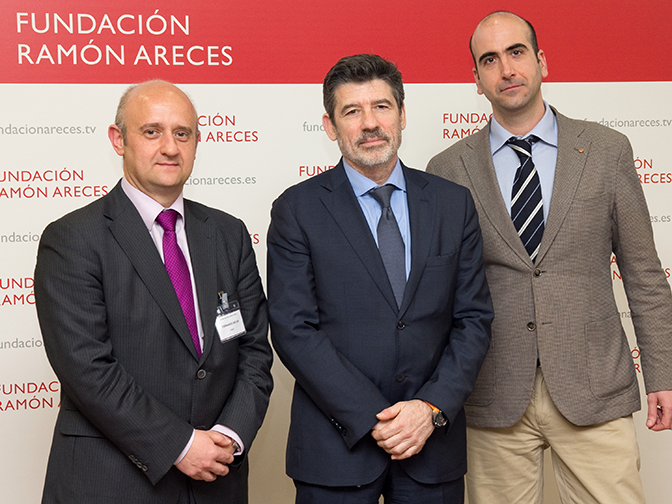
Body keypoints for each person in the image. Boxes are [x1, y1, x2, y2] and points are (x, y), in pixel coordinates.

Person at [427, 11, 672, 504]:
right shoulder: (447, 169)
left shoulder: (606, 150)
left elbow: (644, 273)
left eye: (517, 53)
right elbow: (437, 296)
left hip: (594, 387)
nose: (506, 69)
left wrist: (663, 374)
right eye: (489, 60)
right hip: (492, 395)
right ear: (476, 80)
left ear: (541, 61)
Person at [267, 53, 493, 503]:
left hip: (432, 446)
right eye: (352, 111)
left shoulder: (453, 204)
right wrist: (376, 417)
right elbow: (294, 329)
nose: (369, 123)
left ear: (403, 114)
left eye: (382, 107)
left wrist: (429, 409)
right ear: (331, 126)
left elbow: (473, 320)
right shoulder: (297, 209)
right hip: (336, 450)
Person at [34, 80, 273, 504]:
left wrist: (227, 436)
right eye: (151, 131)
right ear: (118, 139)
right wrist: (181, 444)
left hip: (218, 480)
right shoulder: (72, 238)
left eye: (182, 134)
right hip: (112, 481)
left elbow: (253, 350)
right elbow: (87, 368)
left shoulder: (228, 234)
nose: (169, 147)